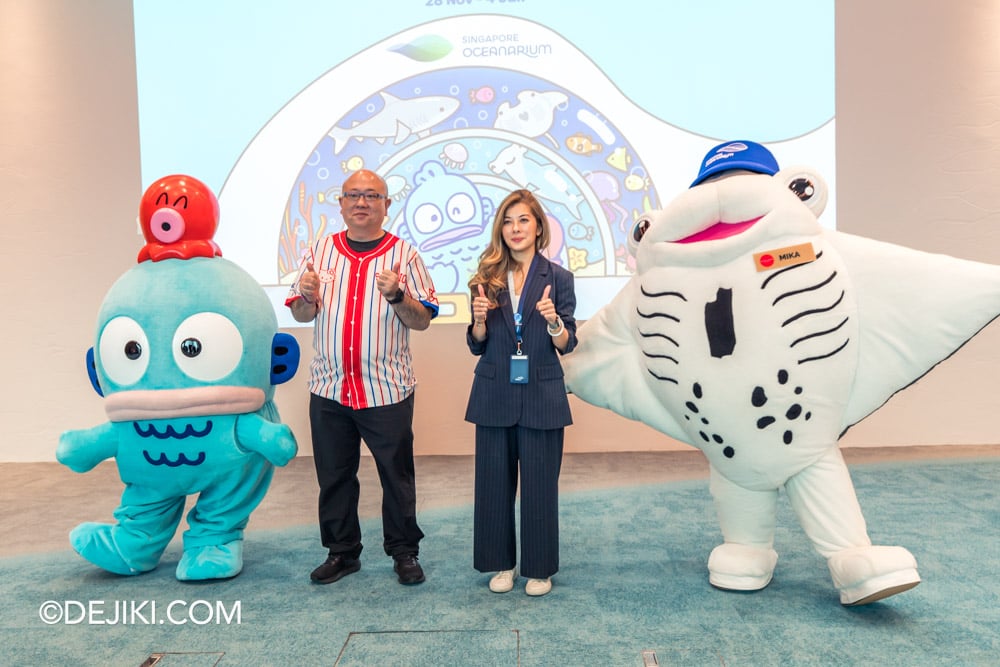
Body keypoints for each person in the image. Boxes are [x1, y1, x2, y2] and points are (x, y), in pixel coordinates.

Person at [286, 169, 438, 586]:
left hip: (386, 389)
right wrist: (305, 295)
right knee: (334, 475)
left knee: (396, 475)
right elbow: (301, 313)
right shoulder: (318, 252)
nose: (361, 202)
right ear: (340, 204)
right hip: (329, 387)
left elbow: (422, 319)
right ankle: (342, 553)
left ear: (387, 206)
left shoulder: (404, 255)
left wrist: (397, 295)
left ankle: (404, 551)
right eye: (353, 194)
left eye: (372, 195)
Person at [464, 189, 578, 597]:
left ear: (538, 227)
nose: (515, 228)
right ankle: (501, 564)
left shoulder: (559, 278)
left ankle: (539, 568)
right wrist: (478, 323)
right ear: (501, 228)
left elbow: (567, 342)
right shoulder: (484, 279)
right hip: (494, 392)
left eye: (523, 220)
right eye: (509, 221)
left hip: (542, 395)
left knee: (540, 485)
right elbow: (477, 343)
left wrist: (552, 322)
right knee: (493, 484)